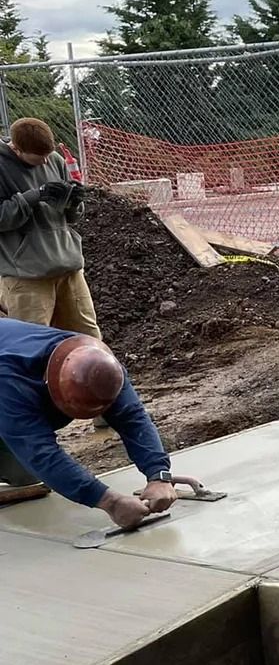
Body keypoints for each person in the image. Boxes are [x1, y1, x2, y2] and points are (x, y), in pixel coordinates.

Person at [0, 317, 175, 529]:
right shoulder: (9, 384)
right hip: (8, 377)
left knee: (24, 475)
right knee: (22, 462)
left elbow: (132, 417)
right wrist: (110, 502)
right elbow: (40, 453)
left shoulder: (96, 361)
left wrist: (159, 476)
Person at [0, 116, 99, 337]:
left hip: (68, 267)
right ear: (17, 149)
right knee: (32, 343)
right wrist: (32, 198)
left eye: (48, 155)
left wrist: (74, 201)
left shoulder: (54, 159)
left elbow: (72, 218)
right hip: (26, 274)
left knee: (88, 337)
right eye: (39, 158)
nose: (46, 162)